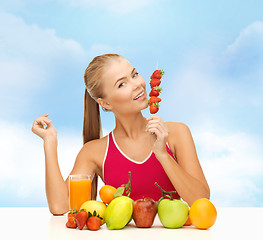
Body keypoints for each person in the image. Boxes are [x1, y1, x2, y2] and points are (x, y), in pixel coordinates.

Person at [32, 54, 210, 215]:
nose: (137, 85)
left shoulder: (176, 133)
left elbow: (201, 200)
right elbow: (60, 206)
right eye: (122, 84)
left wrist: (163, 155)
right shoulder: (94, 151)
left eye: (134, 74)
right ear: (106, 103)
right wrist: (50, 142)